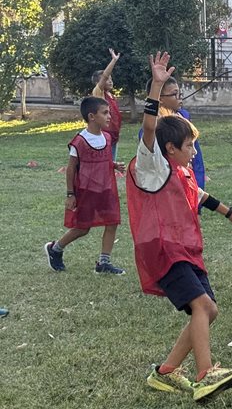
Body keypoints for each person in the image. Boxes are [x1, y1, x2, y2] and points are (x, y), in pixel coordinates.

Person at [128, 52, 232, 401]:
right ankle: (205, 373)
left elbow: (199, 195)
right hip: (163, 249)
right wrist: (156, 85)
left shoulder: (180, 171)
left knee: (209, 309)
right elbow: (150, 127)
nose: (194, 152)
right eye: (189, 146)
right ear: (169, 148)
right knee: (201, 306)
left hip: (183, 247)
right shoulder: (153, 165)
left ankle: (165, 372)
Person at [45, 96, 126, 275]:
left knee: (112, 222)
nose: (109, 116)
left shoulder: (106, 137)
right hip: (87, 191)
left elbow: (103, 160)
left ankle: (104, 262)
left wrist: (114, 165)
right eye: (105, 113)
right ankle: (55, 248)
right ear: (91, 116)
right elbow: (71, 169)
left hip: (106, 189)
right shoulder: (80, 141)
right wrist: (70, 194)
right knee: (83, 228)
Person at [141, 77, 206, 197]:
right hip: (169, 188)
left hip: (191, 176)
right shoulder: (153, 129)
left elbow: (194, 149)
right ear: (159, 99)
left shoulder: (183, 116)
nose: (180, 98)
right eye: (174, 94)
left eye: (180, 93)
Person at [91, 48, 122, 160]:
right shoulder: (98, 93)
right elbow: (104, 76)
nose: (109, 81)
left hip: (113, 136)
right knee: (103, 165)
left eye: (111, 79)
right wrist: (113, 60)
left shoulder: (111, 96)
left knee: (111, 165)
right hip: (103, 136)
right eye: (106, 79)